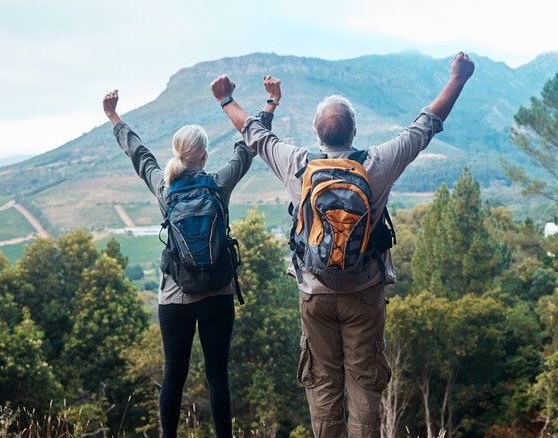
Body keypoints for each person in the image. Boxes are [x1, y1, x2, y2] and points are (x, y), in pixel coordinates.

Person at [210, 52, 475, 437]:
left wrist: (225, 99)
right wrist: (458, 78)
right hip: (365, 290)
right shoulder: (377, 163)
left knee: (322, 383)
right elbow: (425, 126)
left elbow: (254, 133)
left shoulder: (298, 164)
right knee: (365, 383)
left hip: (313, 293)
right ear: (354, 132)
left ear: (317, 134)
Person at [102, 80, 282, 438]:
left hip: (174, 297)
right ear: (203, 156)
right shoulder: (218, 183)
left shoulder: (166, 189)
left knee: (173, 373)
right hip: (217, 292)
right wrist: (269, 106)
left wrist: (113, 116)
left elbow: (141, 157)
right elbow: (249, 146)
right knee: (217, 373)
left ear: (177, 154)